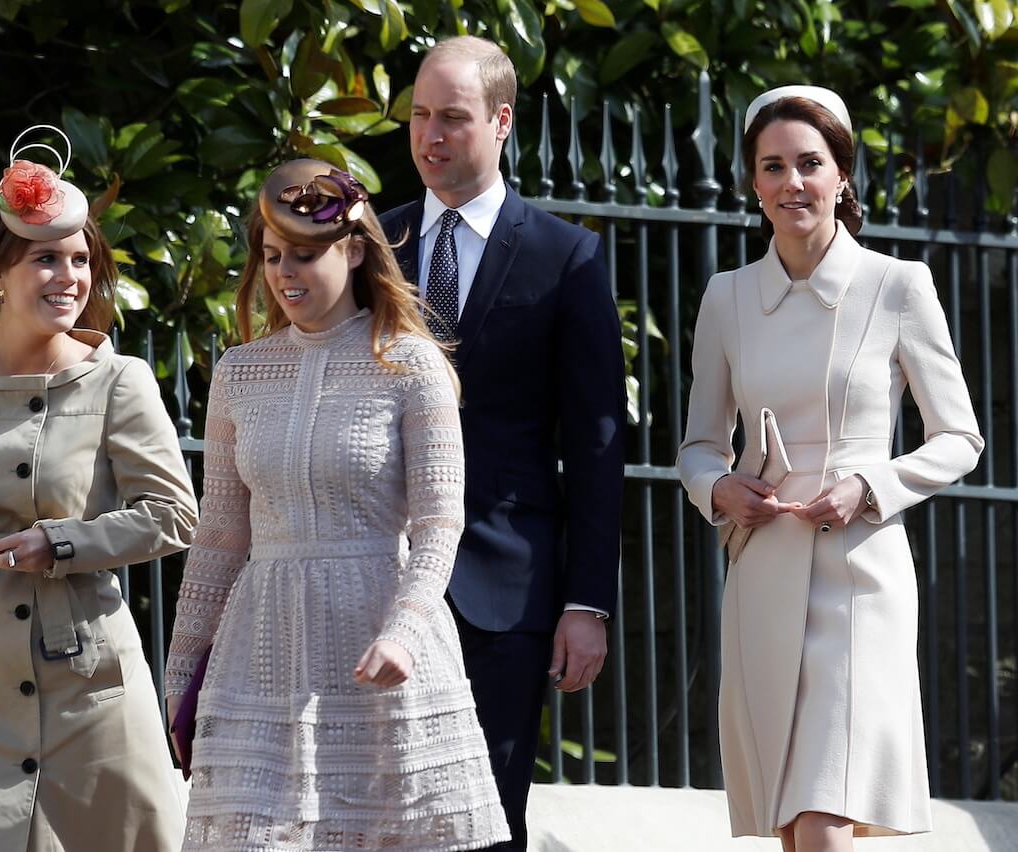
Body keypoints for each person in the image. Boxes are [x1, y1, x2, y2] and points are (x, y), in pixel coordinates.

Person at [164, 159, 510, 851]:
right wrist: (180, 672)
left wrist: (405, 632)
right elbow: (220, 535)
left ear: (353, 251)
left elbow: (440, 522)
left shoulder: (411, 364)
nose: (285, 273)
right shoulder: (239, 373)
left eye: (305, 254)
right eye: (271, 256)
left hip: (378, 646)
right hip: (262, 652)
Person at [0, 126, 198, 852]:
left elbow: (175, 515)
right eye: (45, 258)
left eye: (80, 259)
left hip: (85, 689)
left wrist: (63, 541)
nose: (70, 277)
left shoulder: (119, 380)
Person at [678, 87, 983, 852]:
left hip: (861, 578)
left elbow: (959, 437)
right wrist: (719, 487)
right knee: (793, 818)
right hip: (761, 574)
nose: (792, 184)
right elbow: (697, 446)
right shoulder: (727, 297)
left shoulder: (898, 285)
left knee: (823, 812)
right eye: (772, 167)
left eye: (810, 164)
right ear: (752, 182)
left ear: (842, 174)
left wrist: (869, 486)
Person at [378, 36, 626, 850]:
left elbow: (595, 441)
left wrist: (585, 602)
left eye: (451, 117)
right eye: (418, 116)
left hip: (504, 588)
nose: (430, 135)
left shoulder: (567, 256)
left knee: (486, 819)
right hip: (375, 579)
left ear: (502, 121)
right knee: (377, 815)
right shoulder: (375, 249)